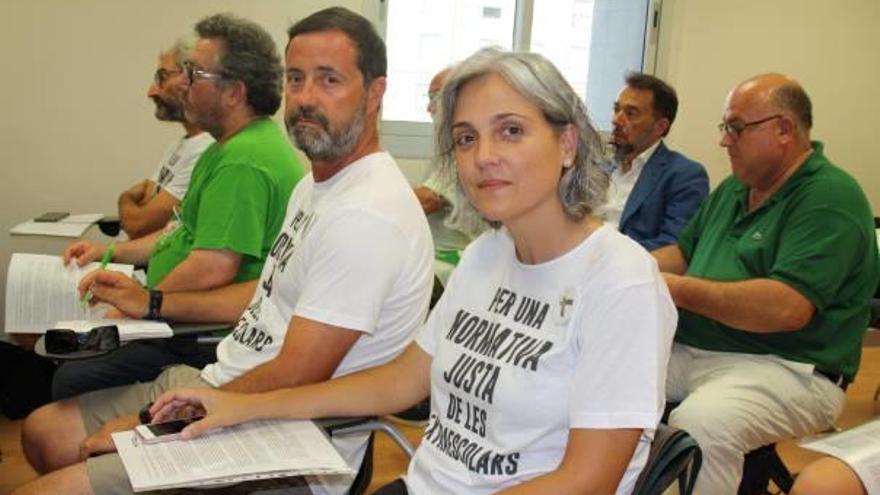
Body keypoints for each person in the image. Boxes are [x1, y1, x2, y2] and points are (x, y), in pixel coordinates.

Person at [148, 47, 677, 495]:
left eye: (511, 131)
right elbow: (401, 380)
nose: (483, 156)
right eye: (467, 138)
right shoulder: (487, 256)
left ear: (567, 144)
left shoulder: (619, 280)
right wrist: (242, 404)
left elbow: (588, 479)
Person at [14, 7, 432, 495]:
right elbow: (266, 291)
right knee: (42, 434)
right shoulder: (317, 185)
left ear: (375, 93)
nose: (305, 98)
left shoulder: (366, 214)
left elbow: (298, 373)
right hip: (220, 383)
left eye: (329, 80)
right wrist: (151, 304)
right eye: (296, 79)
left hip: (280, 433)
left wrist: (150, 424)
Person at [51, 14, 306, 399]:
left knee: (72, 377)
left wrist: (141, 306)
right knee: (71, 355)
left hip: (203, 333)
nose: (182, 85)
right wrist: (109, 251)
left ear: (234, 92)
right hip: (175, 314)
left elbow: (212, 266)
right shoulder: (226, 147)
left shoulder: (243, 161)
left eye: (194, 74)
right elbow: (178, 233)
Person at [653, 73, 880, 493]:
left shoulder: (832, 197)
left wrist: (678, 289)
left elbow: (786, 308)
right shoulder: (733, 190)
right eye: (725, 128)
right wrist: (624, 266)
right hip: (696, 350)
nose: (725, 141)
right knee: (605, 377)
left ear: (784, 130)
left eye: (736, 128)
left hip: (790, 369)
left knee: (703, 424)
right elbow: (680, 256)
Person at [598, 72, 708, 251]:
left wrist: (605, 259)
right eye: (617, 109)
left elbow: (674, 246)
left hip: (628, 271)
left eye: (630, 113)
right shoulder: (599, 169)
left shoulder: (684, 175)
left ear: (660, 127)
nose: (616, 120)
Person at [117, 41, 214, 240]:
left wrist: (124, 199)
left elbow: (138, 225)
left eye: (162, 77)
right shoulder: (179, 145)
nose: (151, 92)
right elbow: (146, 202)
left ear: (191, 78)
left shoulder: (206, 150)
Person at [412, 66, 478, 283]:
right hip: (439, 254)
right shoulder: (447, 144)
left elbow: (428, 200)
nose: (429, 107)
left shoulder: (464, 147)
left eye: (435, 98)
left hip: (455, 260)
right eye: (428, 98)